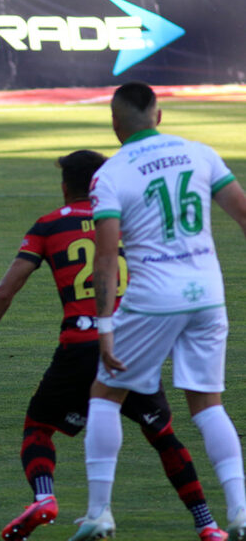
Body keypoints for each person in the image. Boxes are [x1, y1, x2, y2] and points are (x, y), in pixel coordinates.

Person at [0, 150, 228, 541]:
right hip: (130, 347)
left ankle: (44, 497)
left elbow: (5, 291)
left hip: (77, 348)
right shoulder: (131, 224)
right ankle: (208, 524)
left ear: (65, 187)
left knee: (39, 428)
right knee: (163, 436)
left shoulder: (48, 227)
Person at [70, 82, 246, 540]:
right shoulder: (200, 153)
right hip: (207, 292)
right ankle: (241, 513)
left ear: (114, 124)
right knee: (208, 405)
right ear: (159, 115)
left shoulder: (110, 173)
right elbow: (244, 215)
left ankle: (99, 513)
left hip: (153, 297)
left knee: (106, 393)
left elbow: (106, 257)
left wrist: (104, 327)